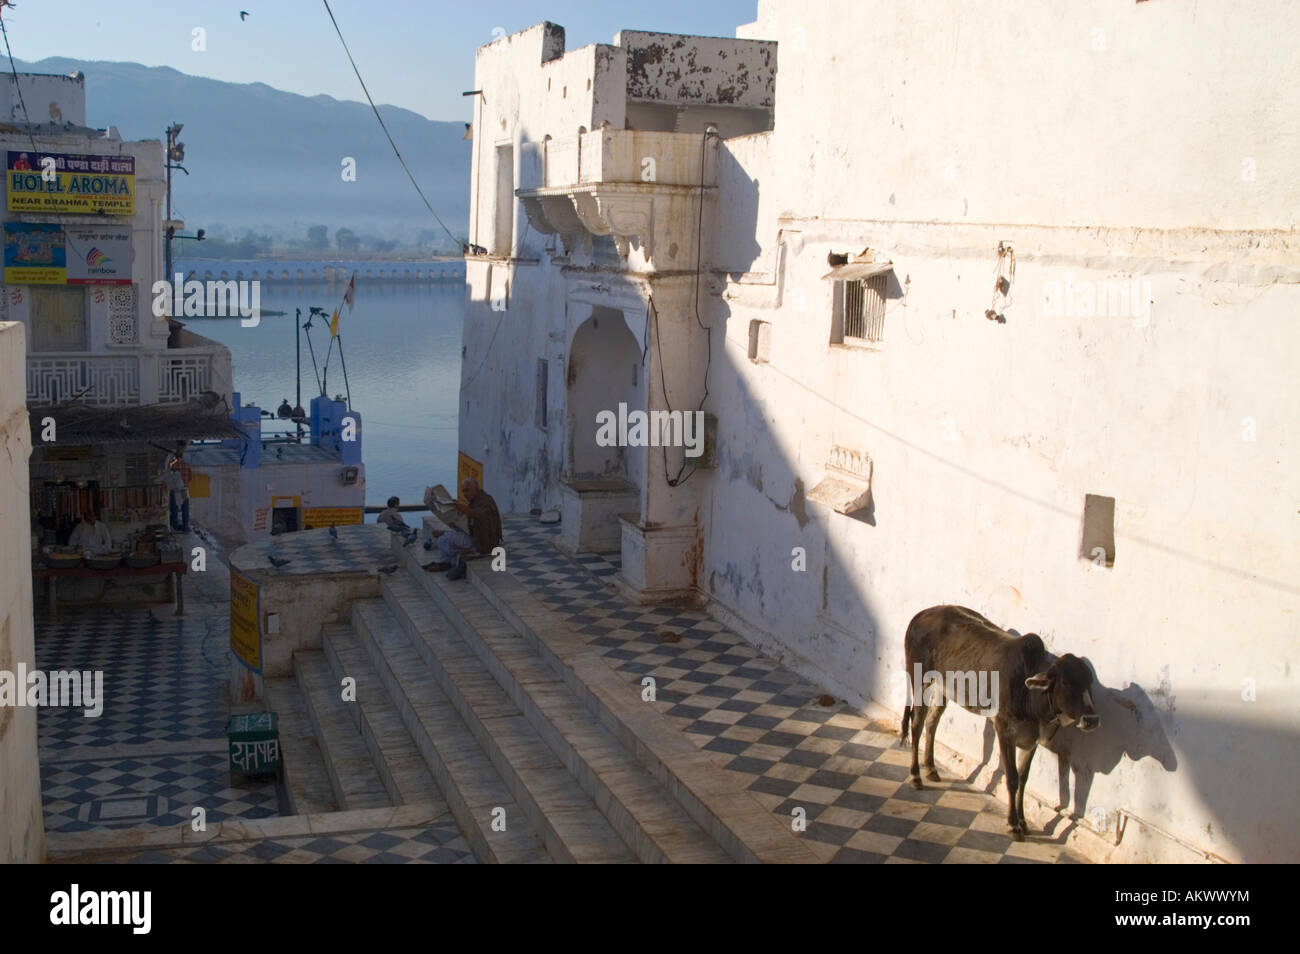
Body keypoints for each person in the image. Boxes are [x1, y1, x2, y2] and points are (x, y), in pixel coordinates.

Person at [428, 477, 501, 580]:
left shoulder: (485, 501)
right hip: (474, 536)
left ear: (475, 489)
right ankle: (453, 561)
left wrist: (466, 510)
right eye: (463, 491)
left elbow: (480, 516)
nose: (465, 494)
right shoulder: (477, 500)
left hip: (483, 543)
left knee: (444, 539)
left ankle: (457, 559)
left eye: (467, 490)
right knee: (442, 539)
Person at [163, 443, 190, 532]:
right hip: (184, 490)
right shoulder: (187, 465)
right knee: (185, 509)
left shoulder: (172, 466)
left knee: (174, 508)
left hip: (174, 491)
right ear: (182, 456)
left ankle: (175, 526)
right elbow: (190, 478)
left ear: (175, 457)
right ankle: (185, 527)